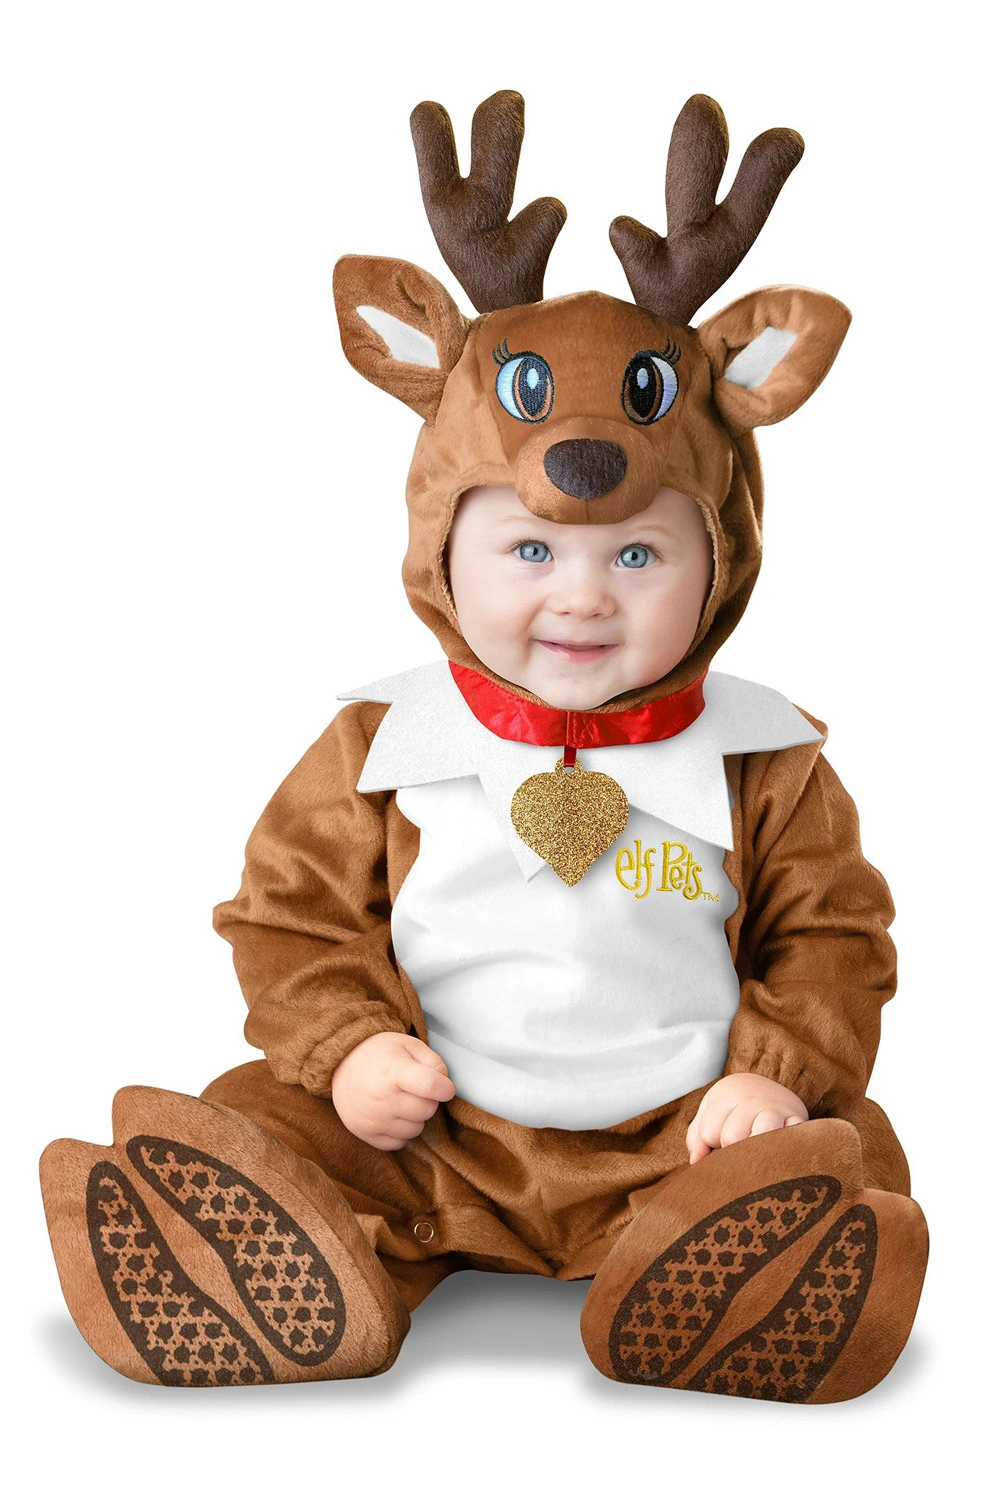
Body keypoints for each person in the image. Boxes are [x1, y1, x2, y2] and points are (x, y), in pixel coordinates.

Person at [40, 90, 928, 1401]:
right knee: (269, 1110)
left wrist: (774, 1078)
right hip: (433, 1141)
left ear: (721, 560)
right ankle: (269, 1262)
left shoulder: (765, 757)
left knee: (839, 1144)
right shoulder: (380, 741)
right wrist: (349, 1050)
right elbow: (290, 917)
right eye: (528, 549)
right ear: (441, 548)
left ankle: (727, 1269)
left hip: (675, 1140)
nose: (582, 599)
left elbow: (833, 936)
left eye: (639, 556)